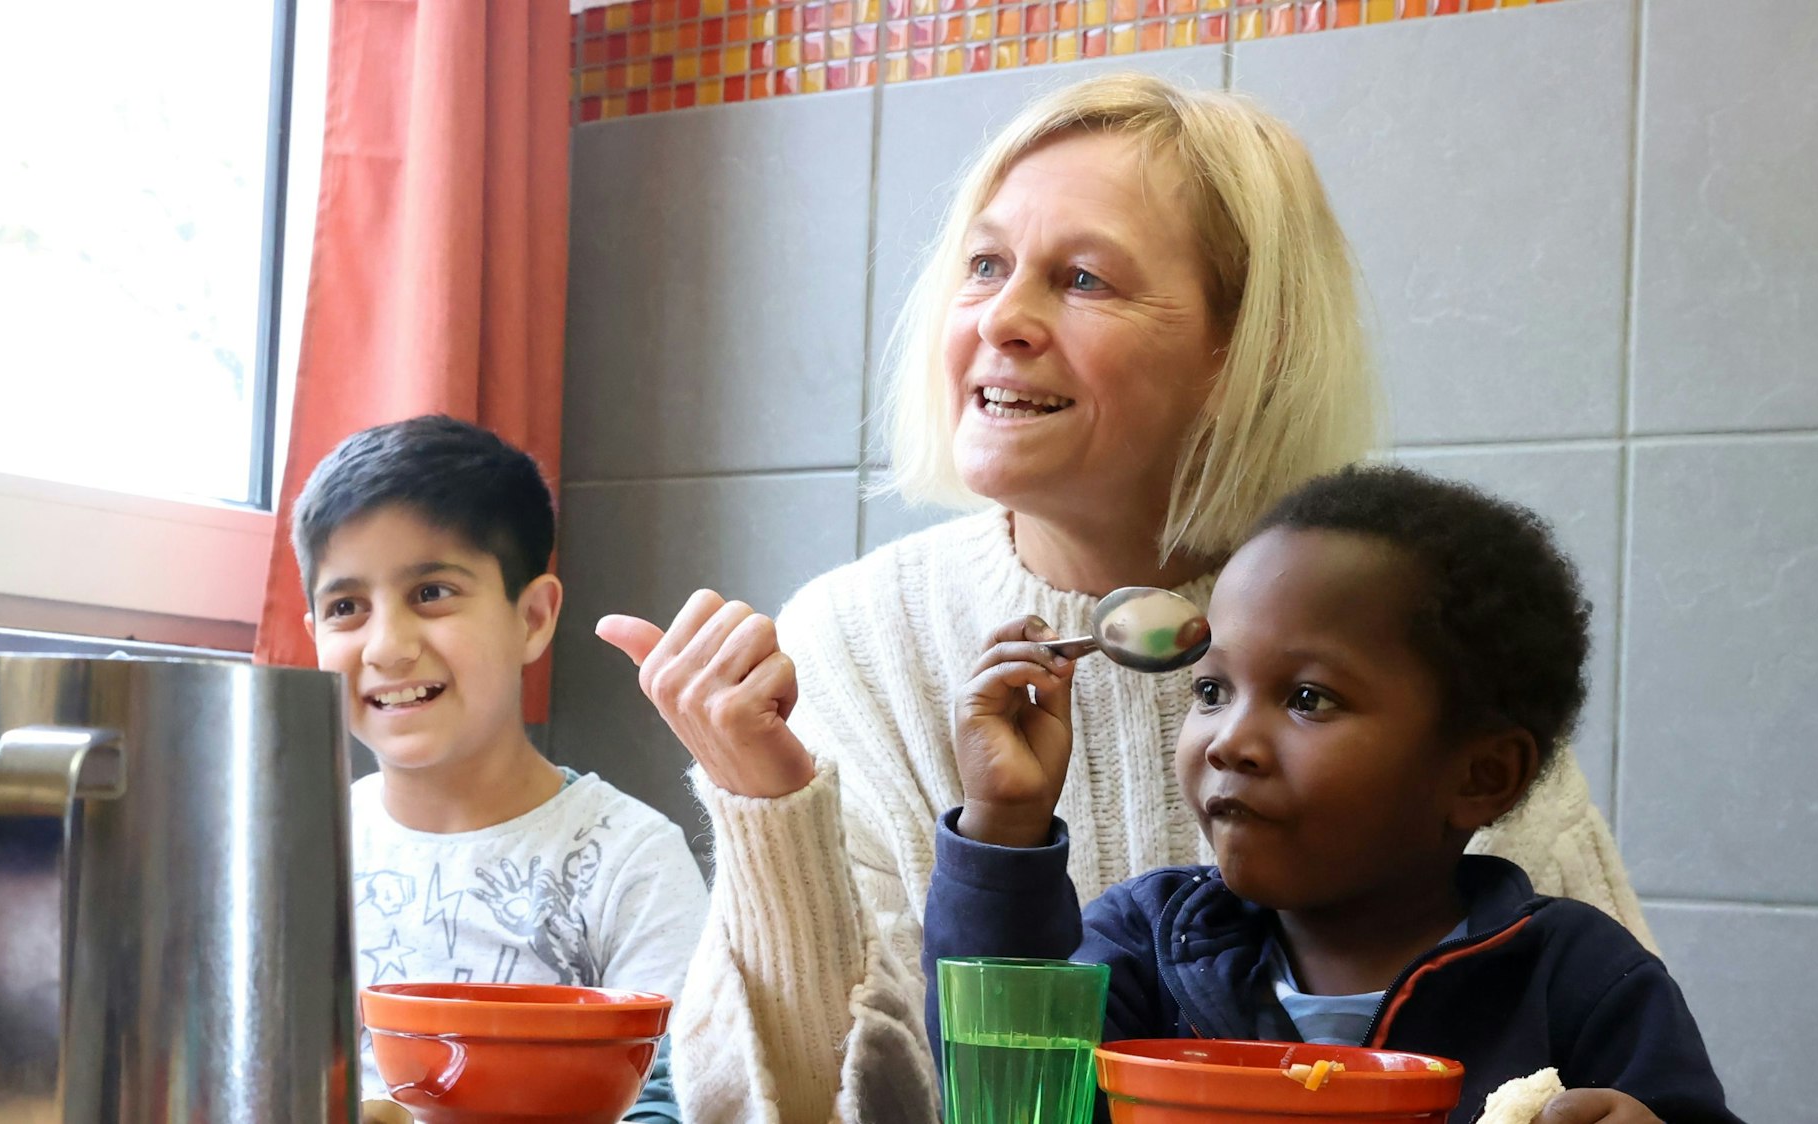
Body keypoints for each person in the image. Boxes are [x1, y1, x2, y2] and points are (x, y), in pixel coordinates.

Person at [600, 73, 1649, 1124]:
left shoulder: (1415, 623)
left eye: (1084, 278)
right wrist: (768, 810)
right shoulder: (852, 640)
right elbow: (800, 1104)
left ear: (1247, 351)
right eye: (984, 264)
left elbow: (1609, 1070)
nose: (1002, 318)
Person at [924, 465, 1739, 1124]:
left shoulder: (1579, 982)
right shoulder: (1143, 948)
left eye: (1307, 699)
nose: (1230, 740)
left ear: (1479, 776)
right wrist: (1003, 825)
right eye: (1211, 692)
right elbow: (1007, 1091)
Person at [295, 415, 705, 1121]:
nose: (386, 647)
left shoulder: (629, 860)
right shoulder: (300, 853)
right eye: (346, 608)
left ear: (534, 617)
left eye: (431, 593)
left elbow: (672, 1101)